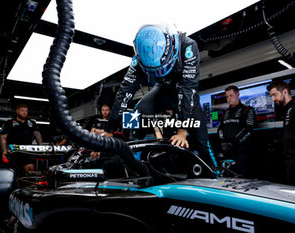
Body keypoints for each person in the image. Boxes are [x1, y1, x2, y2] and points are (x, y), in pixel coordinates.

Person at [104, 23, 215, 166]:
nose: (159, 74)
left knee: (202, 141)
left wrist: (182, 131)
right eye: (154, 71)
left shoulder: (188, 47)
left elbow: (189, 90)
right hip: (162, 90)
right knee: (137, 113)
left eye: (162, 69)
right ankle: (134, 162)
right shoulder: (139, 58)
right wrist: (109, 131)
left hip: (186, 94)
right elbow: (125, 91)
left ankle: (215, 172)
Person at [217, 85, 256, 177]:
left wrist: (233, 143)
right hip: (227, 153)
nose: (229, 98)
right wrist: (223, 142)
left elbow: (248, 129)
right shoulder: (225, 112)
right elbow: (220, 129)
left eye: (231, 95)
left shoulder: (247, 110)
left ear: (237, 94)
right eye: (227, 96)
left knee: (243, 180)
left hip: (242, 154)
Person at [0, 104, 43, 172]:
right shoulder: (9, 123)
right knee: (14, 172)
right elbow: (3, 138)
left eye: (26, 111)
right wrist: (4, 152)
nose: (24, 112)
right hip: (13, 151)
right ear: (17, 111)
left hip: (27, 151)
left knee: (30, 170)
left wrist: (41, 148)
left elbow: (38, 136)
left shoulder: (31, 123)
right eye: (22, 110)